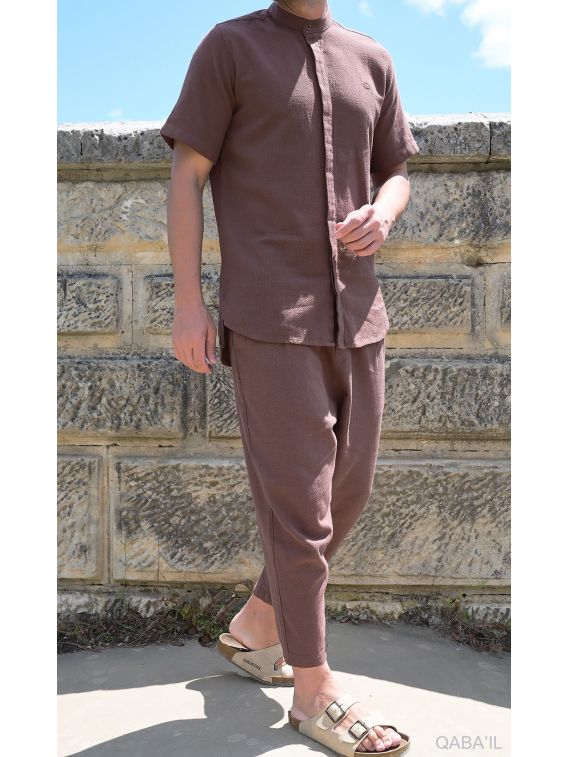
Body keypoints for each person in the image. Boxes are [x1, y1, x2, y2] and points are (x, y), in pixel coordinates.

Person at [160, 1, 419, 753]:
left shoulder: (372, 59)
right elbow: (187, 175)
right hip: (269, 315)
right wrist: (188, 304)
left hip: (360, 313)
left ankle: (257, 624)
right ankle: (314, 692)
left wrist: (384, 211)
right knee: (302, 513)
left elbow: (396, 171)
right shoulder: (229, 47)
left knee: (349, 492)